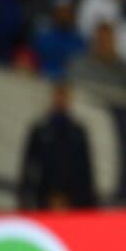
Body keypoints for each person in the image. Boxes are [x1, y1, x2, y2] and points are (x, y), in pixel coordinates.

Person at [18, 82, 96, 210]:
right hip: (44, 195)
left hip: (73, 198)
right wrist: (25, 195)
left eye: (64, 96)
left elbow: (85, 169)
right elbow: (29, 165)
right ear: (52, 97)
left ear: (70, 99)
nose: (61, 99)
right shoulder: (40, 130)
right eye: (58, 95)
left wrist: (89, 201)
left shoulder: (78, 132)